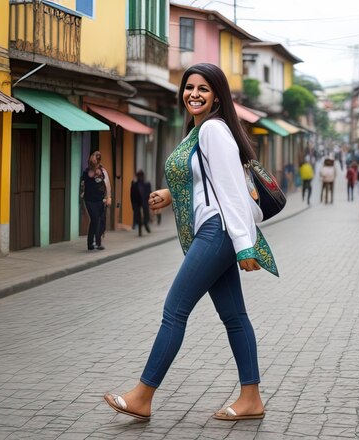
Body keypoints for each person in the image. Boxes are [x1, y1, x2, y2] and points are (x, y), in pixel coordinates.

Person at [104, 63, 277, 422]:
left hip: (218, 231)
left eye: (203, 89)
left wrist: (244, 245)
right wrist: (171, 193)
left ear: (217, 96)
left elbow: (230, 189)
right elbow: (207, 178)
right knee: (234, 316)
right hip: (215, 228)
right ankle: (251, 399)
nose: (194, 94)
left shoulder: (213, 129)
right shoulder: (198, 132)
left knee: (174, 311)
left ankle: (142, 395)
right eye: (189, 87)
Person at [80, 151, 111, 250]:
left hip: (100, 199)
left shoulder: (102, 171)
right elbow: (86, 179)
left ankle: (96, 243)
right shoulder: (87, 171)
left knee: (98, 220)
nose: (95, 159)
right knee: (95, 219)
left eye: (97, 158)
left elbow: (107, 185)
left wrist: (108, 197)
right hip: (89, 200)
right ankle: (92, 243)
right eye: (94, 157)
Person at [130, 170, 151, 236]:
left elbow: (150, 193)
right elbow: (132, 195)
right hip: (137, 202)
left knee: (146, 215)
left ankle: (145, 224)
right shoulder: (134, 185)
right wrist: (133, 205)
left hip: (145, 202)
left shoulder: (147, 184)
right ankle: (140, 231)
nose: (140, 177)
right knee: (138, 217)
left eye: (141, 176)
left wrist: (150, 202)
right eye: (139, 176)